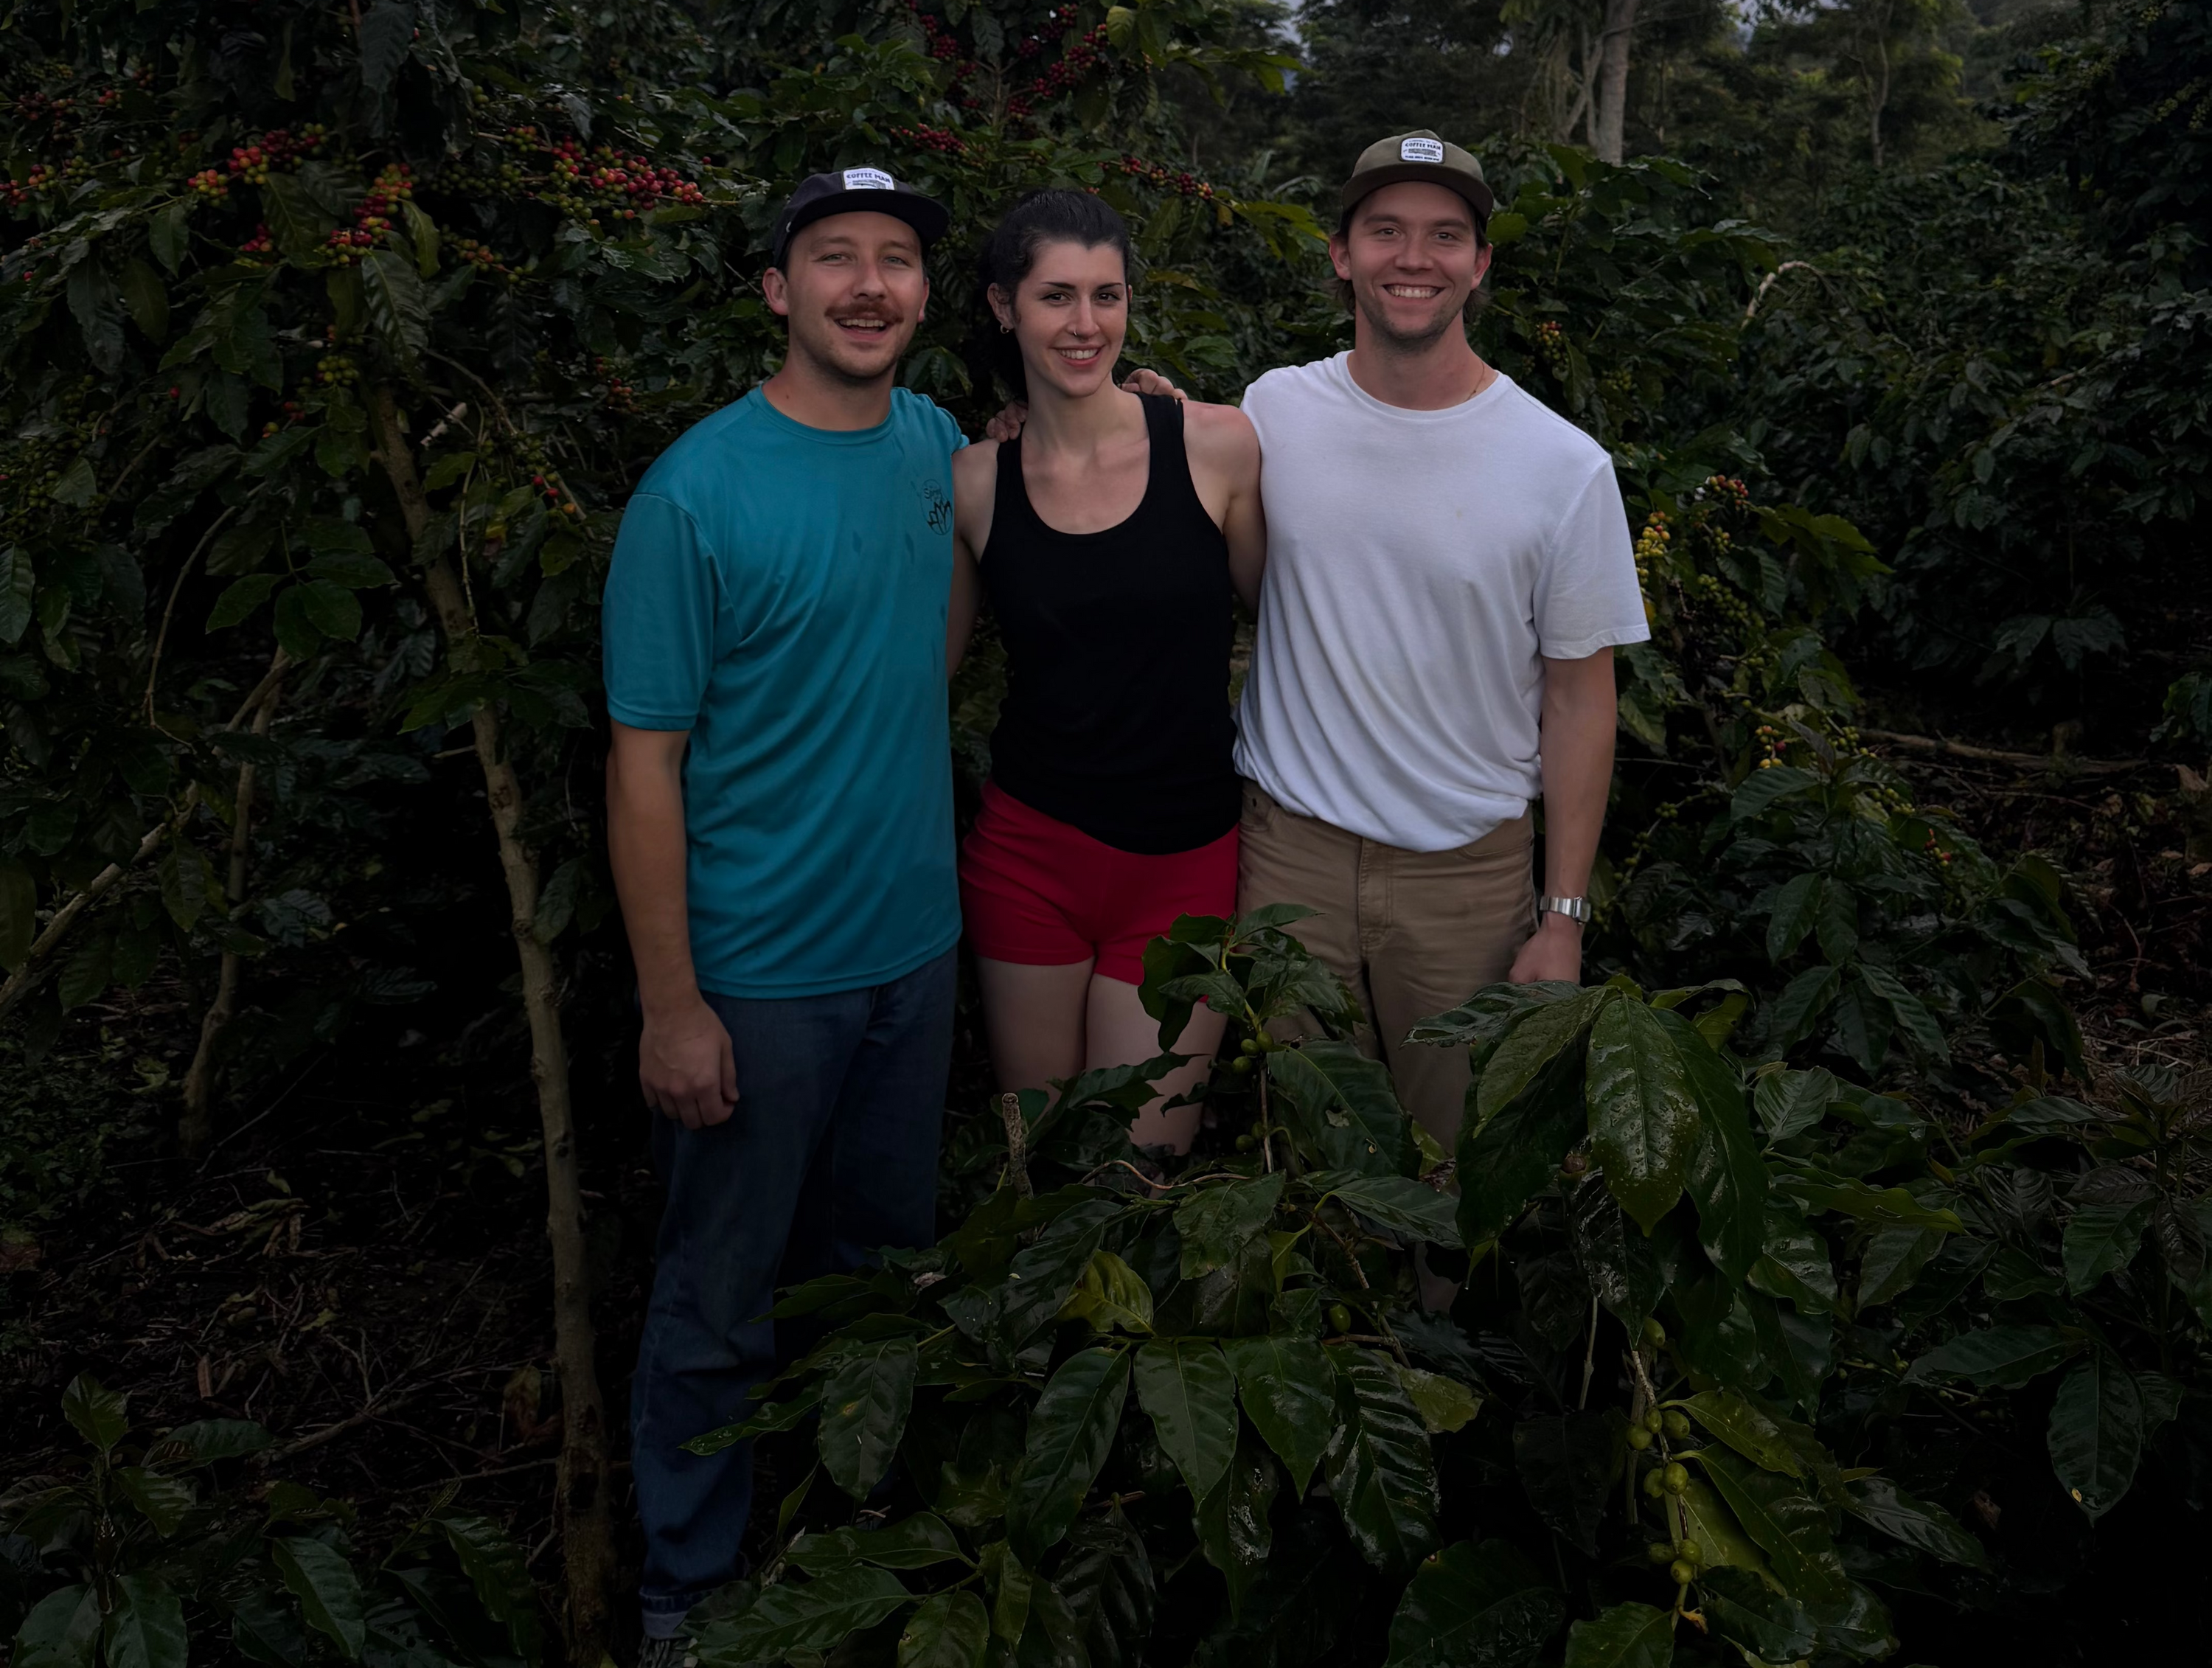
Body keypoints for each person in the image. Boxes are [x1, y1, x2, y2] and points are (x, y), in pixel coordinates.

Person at [601, 165, 964, 1661]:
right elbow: (641, 769)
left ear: (929, 295)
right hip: (757, 980)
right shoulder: (696, 492)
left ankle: (844, 1555)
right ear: (777, 288)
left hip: (916, 955)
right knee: (719, 1302)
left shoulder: (939, 445)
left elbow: (948, 623)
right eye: (834, 259)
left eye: (895, 260)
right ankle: (685, 1596)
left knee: (879, 1279)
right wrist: (673, 1002)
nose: (868, 285)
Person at [1234, 130, 1649, 1161]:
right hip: (1290, 855)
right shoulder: (1273, 410)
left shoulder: (1563, 464)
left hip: (1466, 880)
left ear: (1480, 263)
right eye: (1386, 231)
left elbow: (1581, 701)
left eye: (1444, 235)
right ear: (1341, 254)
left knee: (1462, 1168)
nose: (1412, 258)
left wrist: (1563, 918)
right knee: (1311, 1166)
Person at [949, 189, 1263, 1153]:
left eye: (1107, 295)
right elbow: (925, 670)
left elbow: (1293, 620)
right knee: (1041, 1160)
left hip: (1185, 860)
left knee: (1137, 1172)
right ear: (1005, 307)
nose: (1086, 326)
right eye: (1056, 298)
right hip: (1027, 859)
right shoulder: (973, 482)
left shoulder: (1216, 445)